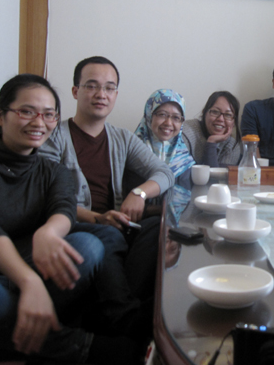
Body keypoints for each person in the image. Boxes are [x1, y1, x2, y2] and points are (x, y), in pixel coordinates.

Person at [0, 74, 138, 364]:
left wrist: (48, 234)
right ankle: (77, 345)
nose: (39, 122)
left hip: (37, 266)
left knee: (90, 245)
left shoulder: (54, 172)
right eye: (27, 111)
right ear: (0, 116)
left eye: (49, 114)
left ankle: (0, 335)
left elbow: (63, 208)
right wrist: (29, 283)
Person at [39, 56, 174, 339]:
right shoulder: (55, 137)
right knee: (108, 235)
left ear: (115, 94)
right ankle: (124, 316)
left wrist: (139, 193)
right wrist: (97, 218)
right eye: (92, 86)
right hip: (74, 226)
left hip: (115, 224)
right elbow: (47, 198)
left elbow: (163, 172)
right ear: (76, 91)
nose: (101, 94)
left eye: (110, 88)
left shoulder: (121, 138)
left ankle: (118, 313)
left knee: (156, 228)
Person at [134, 89, 196, 187]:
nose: (168, 123)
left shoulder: (184, 162)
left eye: (176, 117)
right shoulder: (132, 153)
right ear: (149, 115)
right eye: (162, 114)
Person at [182, 91, 243, 166]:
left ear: (234, 122)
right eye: (215, 112)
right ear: (204, 113)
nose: (221, 119)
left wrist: (212, 142)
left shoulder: (232, 146)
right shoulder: (186, 131)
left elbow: (217, 177)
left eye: (228, 115)